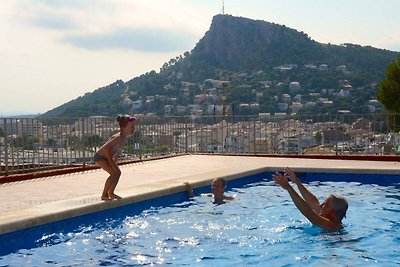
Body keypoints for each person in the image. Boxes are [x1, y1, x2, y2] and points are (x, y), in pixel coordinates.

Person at [273, 167, 348, 231]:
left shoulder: (330, 225)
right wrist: (296, 180)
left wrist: (289, 188)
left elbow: (308, 212)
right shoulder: (329, 216)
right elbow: (314, 203)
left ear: (333, 212)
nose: (321, 206)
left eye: (325, 205)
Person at [94, 115, 138, 200]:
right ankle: (104, 195)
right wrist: (110, 160)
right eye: (131, 126)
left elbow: (118, 150)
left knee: (118, 173)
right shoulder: (118, 137)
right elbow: (106, 148)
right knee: (114, 173)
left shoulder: (124, 138)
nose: (133, 128)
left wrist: (115, 161)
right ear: (123, 127)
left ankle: (111, 193)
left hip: (107, 157)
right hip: (100, 157)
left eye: (134, 126)